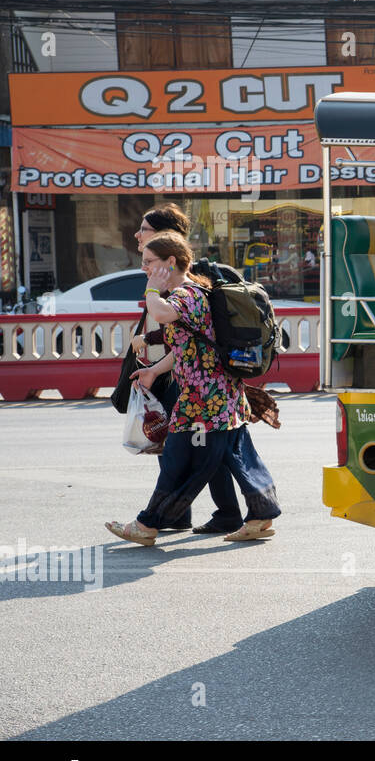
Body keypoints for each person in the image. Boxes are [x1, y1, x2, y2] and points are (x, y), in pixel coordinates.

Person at [105, 232, 282, 547]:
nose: (144, 268)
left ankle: (147, 524)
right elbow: (187, 347)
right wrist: (154, 371)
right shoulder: (196, 290)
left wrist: (152, 289)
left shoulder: (186, 295)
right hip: (221, 394)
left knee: (179, 460)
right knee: (237, 454)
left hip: (203, 399)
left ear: (170, 262)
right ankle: (260, 514)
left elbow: (159, 314)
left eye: (149, 263)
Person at [126, 203, 243, 534]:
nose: (138, 235)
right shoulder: (170, 277)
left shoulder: (183, 284)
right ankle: (225, 512)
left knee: (188, 452)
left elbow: (175, 324)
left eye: (145, 230)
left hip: (198, 381)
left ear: (166, 240)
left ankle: (158, 518)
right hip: (189, 374)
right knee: (208, 449)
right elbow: (182, 335)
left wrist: (150, 337)